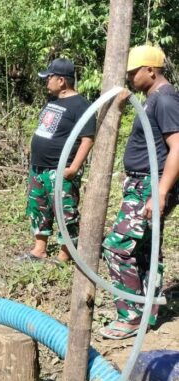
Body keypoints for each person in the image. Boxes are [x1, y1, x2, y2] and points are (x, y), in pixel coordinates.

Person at [100, 45, 179, 340]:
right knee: (144, 249)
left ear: (151, 70)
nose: (131, 77)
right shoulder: (152, 99)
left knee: (117, 248)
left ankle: (131, 316)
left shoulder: (165, 99)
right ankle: (148, 311)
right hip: (143, 183)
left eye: (134, 72)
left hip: (150, 184)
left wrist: (159, 192)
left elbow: (178, 148)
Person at [18, 58, 96, 264]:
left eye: (49, 78)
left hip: (60, 169)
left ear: (61, 81)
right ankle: (39, 249)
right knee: (38, 206)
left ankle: (65, 254)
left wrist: (73, 168)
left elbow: (88, 139)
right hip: (39, 168)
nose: (46, 82)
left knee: (64, 210)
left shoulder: (82, 106)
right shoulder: (53, 101)